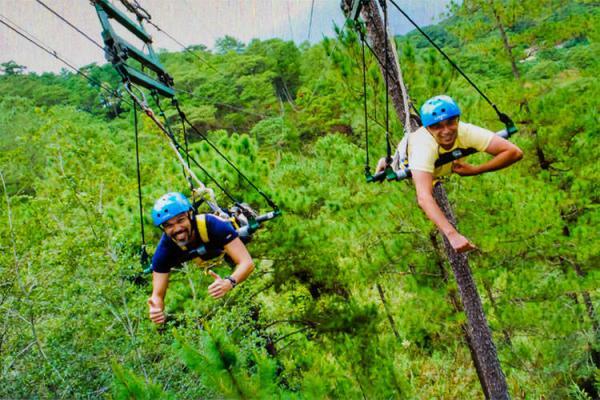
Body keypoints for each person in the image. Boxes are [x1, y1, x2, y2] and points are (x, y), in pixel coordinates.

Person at [380, 95, 523, 253]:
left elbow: (514, 152)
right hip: (414, 163)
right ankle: (388, 161)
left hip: (443, 164)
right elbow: (424, 197)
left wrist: (476, 169)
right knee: (420, 179)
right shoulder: (423, 148)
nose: (446, 131)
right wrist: (452, 234)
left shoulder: (465, 131)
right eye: (437, 126)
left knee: (440, 160)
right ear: (427, 128)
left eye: (450, 123)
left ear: (457, 120)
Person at [147, 192, 255, 324]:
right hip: (207, 252)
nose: (177, 229)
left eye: (180, 220)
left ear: (190, 215)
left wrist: (229, 282)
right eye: (169, 225)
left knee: (243, 235)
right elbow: (157, 295)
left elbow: (247, 263)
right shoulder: (164, 250)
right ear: (163, 229)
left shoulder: (213, 225)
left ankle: (239, 215)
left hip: (223, 240)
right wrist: (156, 310)